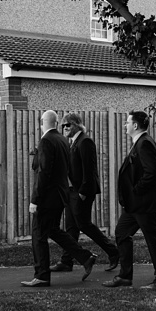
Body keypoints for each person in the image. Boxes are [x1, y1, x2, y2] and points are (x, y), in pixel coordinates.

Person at [22, 110, 95, 286]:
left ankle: (42, 275)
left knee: (38, 234)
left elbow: (44, 173)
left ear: (42, 122)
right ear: (56, 123)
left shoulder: (47, 140)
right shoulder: (62, 140)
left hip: (47, 198)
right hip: (61, 196)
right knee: (54, 230)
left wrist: (35, 199)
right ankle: (85, 257)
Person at [103, 110, 156, 289]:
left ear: (135, 125)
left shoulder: (145, 143)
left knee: (152, 240)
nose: (125, 125)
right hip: (135, 205)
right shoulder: (139, 142)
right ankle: (125, 276)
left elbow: (151, 173)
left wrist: (135, 190)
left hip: (145, 203)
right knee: (121, 233)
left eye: (127, 122)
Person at [52, 113, 119, 274]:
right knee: (71, 228)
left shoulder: (85, 141)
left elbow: (89, 170)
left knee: (84, 225)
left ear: (77, 125)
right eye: (62, 126)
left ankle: (114, 252)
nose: (65, 128)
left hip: (82, 191)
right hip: (71, 191)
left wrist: (83, 192)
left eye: (67, 125)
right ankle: (66, 261)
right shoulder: (73, 143)